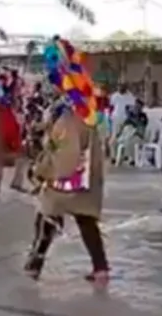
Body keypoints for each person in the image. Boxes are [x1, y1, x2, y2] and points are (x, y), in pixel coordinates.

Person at [23, 99, 111, 284]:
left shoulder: (66, 122)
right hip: (88, 181)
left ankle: (35, 264)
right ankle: (100, 268)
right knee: (87, 221)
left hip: (65, 183)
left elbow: (62, 157)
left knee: (46, 216)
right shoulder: (89, 119)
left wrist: (41, 171)